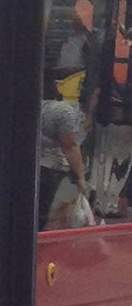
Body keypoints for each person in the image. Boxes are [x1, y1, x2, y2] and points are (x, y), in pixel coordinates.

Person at [39, 76, 93, 230]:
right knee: (44, 211)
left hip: (23, 166)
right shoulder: (61, 111)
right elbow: (70, 147)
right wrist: (81, 177)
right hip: (50, 168)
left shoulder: (21, 105)